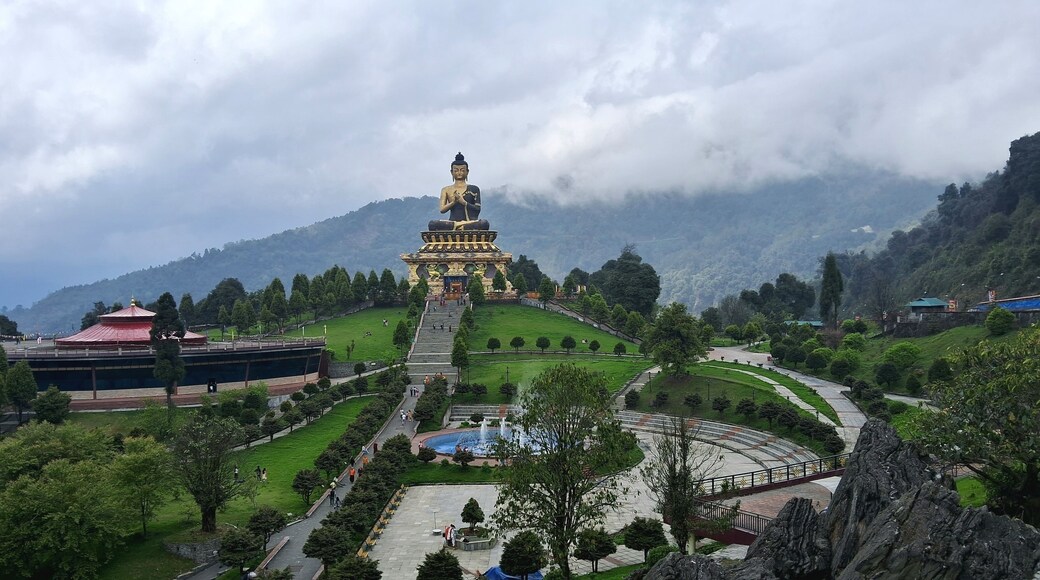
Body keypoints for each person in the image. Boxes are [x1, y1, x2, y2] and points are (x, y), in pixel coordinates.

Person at [428, 152, 490, 231]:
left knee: (484, 223)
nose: (459, 173)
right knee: (432, 224)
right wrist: (453, 202)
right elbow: (442, 210)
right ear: (451, 172)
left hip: (469, 222)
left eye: (462, 170)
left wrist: (464, 202)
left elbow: (477, 209)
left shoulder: (474, 189)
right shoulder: (446, 189)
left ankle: (460, 227)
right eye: (456, 170)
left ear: (467, 172)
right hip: (452, 222)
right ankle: (459, 226)